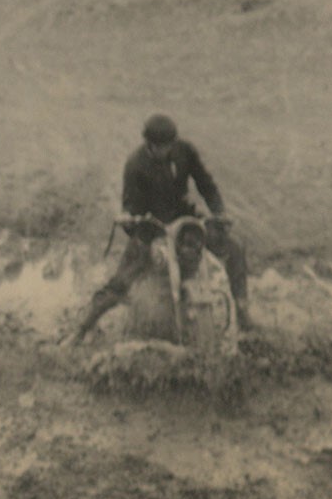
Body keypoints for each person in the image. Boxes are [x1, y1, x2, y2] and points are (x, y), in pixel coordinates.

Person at [69, 113, 251, 344]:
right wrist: (131, 221)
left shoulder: (185, 151)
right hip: (151, 227)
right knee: (122, 280)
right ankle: (82, 328)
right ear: (149, 145)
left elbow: (206, 184)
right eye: (160, 147)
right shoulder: (135, 165)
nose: (166, 151)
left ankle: (244, 316)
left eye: (169, 145)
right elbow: (130, 206)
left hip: (184, 220)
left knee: (233, 247)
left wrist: (219, 212)